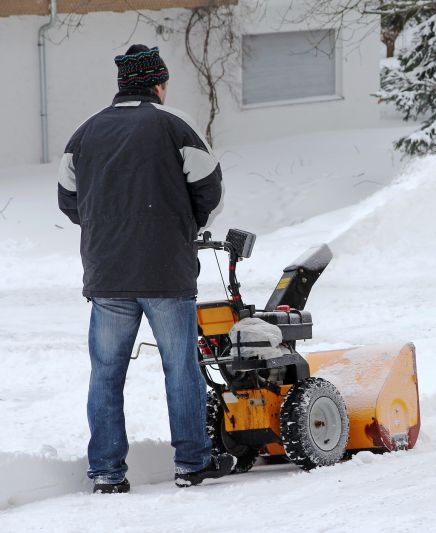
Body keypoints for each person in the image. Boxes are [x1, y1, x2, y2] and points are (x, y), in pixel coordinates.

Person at [57, 44, 234, 493]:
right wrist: (181, 227)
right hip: (166, 273)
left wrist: (106, 230)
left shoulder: (84, 134)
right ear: (157, 83)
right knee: (180, 368)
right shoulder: (174, 125)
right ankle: (192, 462)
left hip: (107, 275)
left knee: (106, 373)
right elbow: (209, 189)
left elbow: (68, 199)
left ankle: (107, 471)